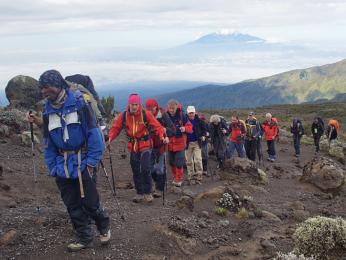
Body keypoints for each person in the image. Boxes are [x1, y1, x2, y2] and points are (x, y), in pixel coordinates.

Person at [37, 70, 110, 251]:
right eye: (42, 89)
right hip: (62, 166)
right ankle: (84, 237)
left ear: (58, 85)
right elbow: (48, 142)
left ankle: (103, 226)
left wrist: (91, 163)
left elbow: (94, 136)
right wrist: (52, 166)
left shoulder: (80, 105)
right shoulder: (47, 111)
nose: (45, 92)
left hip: (83, 162)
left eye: (47, 87)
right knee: (72, 204)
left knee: (90, 202)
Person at [108, 94, 166, 203]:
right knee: (135, 169)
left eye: (136, 104)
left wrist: (162, 135)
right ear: (129, 104)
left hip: (145, 145)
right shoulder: (124, 115)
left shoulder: (146, 114)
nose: (134, 107)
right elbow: (116, 128)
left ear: (139, 104)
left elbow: (157, 126)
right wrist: (110, 138)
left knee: (145, 168)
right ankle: (139, 193)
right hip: (133, 146)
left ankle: (147, 192)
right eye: (132, 104)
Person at [145, 98, 175, 198]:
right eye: (148, 110)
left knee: (160, 168)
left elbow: (173, 130)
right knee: (150, 168)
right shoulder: (145, 116)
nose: (150, 112)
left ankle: (159, 189)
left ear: (156, 107)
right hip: (149, 146)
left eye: (152, 109)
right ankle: (156, 183)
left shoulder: (163, 115)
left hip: (162, 145)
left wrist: (165, 131)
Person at [166, 99, 193, 187]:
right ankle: (175, 177)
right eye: (170, 108)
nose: (171, 110)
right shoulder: (165, 116)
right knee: (171, 162)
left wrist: (185, 128)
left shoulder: (182, 116)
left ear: (177, 107)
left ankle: (179, 179)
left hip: (180, 142)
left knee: (179, 162)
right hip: (170, 143)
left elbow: (190, 127)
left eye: (173, 108)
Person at [185, 106, 207, 185]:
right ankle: (191, 175)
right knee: (189, 161)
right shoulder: (184, 121)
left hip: (197, 142)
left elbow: (204, 129)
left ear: (195, 112)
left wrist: (204, 135)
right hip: (187, 143)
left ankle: (199, 175)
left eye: (192, 112)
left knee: (198, 159)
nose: (191, 114)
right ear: (187, 113)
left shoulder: (199, 121)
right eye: (190, 113)